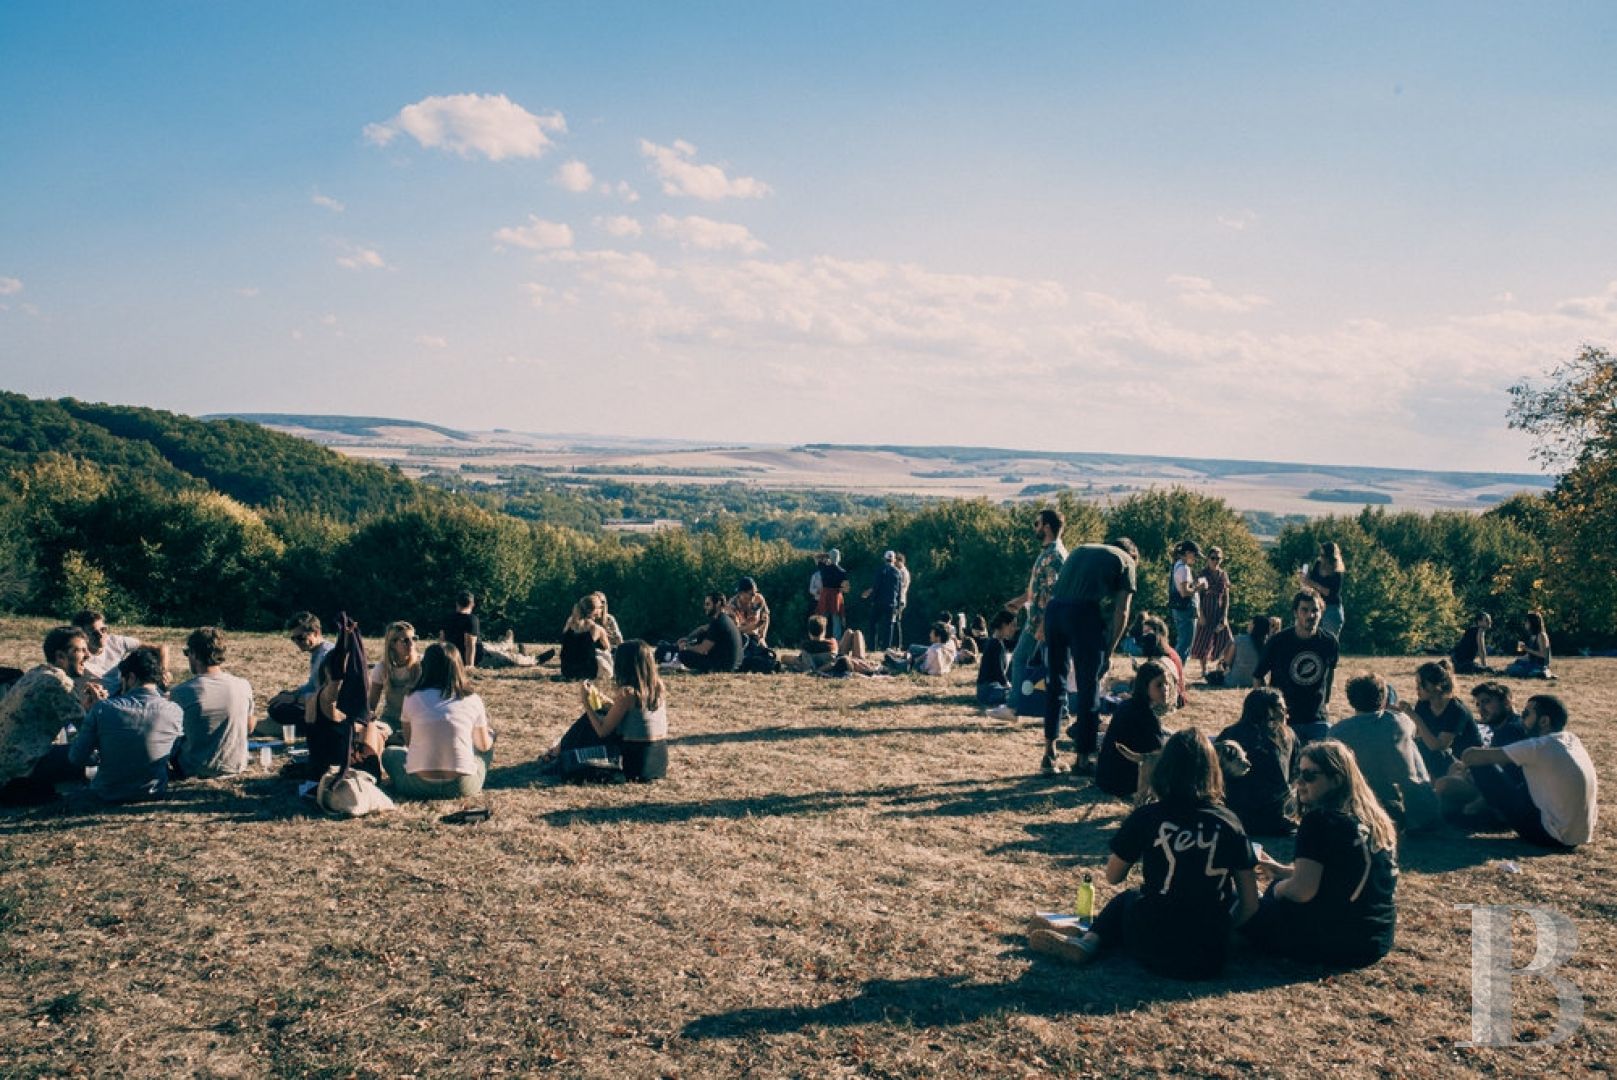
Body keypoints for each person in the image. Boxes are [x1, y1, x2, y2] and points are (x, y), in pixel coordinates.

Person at [1028, 730, 1259, 980]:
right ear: (1213, 772)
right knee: (1224, 900)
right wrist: (1222, 930)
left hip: (1152, 941)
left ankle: (1088, 941)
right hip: (1208, 956)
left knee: (1127, 899)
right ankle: (1079, 932)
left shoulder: (1148, 816)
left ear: (1164, 769)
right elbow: (1250, 903)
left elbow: (1113, 876)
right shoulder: (1230, 822)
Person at [1243, 739, 1399, 969]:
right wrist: (1283, 871)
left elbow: (1301, 891)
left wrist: (1277, 889)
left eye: (1309, 776)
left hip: (1335, 943)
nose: (1299, 782)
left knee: (1243, 903)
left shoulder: (1320, 820)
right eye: (1298, 774)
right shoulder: (1374, 820)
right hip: (1375, 939)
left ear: (1336, 780)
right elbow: (1342, 875)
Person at [1040, 537, 1139, 776]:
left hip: (1054, 611)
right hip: (1083, 615)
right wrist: (1109, 649)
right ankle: (1083, 759)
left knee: (1055, 682)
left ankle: (1049, 754)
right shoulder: (1127, 561)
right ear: (1133, 556)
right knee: (1088, 687)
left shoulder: (1081, 549)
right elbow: (1122, 610)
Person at [1459, 694, 1597, 848]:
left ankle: (1489, 819)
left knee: (1480, 765)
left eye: (1525, 714)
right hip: (1579, 835)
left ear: (1544, 721)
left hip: (1550, 836)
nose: (1520, 719)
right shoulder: (1572, 740)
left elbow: (1470, 756)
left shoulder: (1538, 747)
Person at [0, 625, 103, 804]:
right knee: (94, 753)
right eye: (80, 650)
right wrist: (100, 707)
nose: (88, 655)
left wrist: (85, 708)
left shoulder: (37, 672)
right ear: (60, 656)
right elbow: (88, 732)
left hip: (8, 763)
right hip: (23, 766)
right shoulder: (58, 682)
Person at [541, 640, 670, 782]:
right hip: (658, 761)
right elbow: (631, 715)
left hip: (634, 763)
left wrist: (586, 703)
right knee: (601, 713)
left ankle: (557, 753)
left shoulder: (627, 693)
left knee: (590, 719)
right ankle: (558, 751)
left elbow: (602, 731)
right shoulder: (657, 688)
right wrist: (602, 699)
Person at [67, 647, 183, 803]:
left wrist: (90, 716)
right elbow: (172, 751)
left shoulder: (102, 709)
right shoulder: (175, 711)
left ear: (131, 678)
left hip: (107, 792)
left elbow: (77, 757)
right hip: (154, 791)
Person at [382, 643, 495, 799]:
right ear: (458, 667)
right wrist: (491, 736)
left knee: (389, 753)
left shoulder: (412, 698)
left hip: (418, 784)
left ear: (425, 667)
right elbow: (483, 746)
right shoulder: (472, 699)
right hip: (461, 785)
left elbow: (409, 743)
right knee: (487, 746)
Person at [1329, 673, 1439, 831]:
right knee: (1408, 743)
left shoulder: (1338, 732)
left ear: (1351, 700)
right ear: (1383, 698)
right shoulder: (1401, 721)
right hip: (1416, 810)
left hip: (1369, 808)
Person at [1002, 509, 1068, 722]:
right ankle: (1061, 710)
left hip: (1042, 622)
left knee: (1022, 659)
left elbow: (1053, 593)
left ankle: (1014, 707)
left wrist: (1044, 624)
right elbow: (1038, 589)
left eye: (1036, 523)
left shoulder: (1053, 555)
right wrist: (1020, 602)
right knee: (1052, 665)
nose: (1035, 528)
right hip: (1039, 620)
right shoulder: (1049, 552)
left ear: (1047, 527)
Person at [1252, 592, 1340, 743]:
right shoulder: (1278, 642)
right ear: (1295, 613)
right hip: (1285, 721)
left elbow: (1330, 673)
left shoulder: (1329, 642)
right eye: (1304, 610)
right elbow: (1258, 676)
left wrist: (1326, 702)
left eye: (1315, 610)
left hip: (1316, 720)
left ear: (1321, 613)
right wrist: (1268, 710)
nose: (1310, 615)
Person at [169, 626, 254, 779]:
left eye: (187, 653)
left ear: (194, 654)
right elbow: (249, 727)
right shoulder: (243, 685)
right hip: (235, 765)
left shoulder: (181, 691)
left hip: (194, 767)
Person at [1217, 687, 1299, 837]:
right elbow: (1293, 777)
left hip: (1234, 817)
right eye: (1282, 708)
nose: (1287, 713)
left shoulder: (1229, 733)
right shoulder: (1284, 736)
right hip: (1273, 820)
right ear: (1270, 711)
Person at [1396, 659, 1481, 785]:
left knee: (1435, 754)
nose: (1417, 688)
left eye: (1421, 684)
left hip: (1466, 762)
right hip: (1444, 759)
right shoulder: (1424, 704)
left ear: (1437, 686)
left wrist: (1414, 716)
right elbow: (1419, 735)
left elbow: (1438, 746)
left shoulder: (1456, 710)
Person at [1094, 660, 1171, 800]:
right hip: (1124, 784)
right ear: (1145, 686)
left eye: (1167, 684)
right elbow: (1157, 758)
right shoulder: (1148, 717)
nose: (1165, 689)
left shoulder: (1126, 705)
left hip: (1104, 778)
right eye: (1159, 685)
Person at [260, 612, 334, 738]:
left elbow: (326, 697)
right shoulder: (317, 653)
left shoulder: (326, 656)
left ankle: (304, 729)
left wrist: (295, 699)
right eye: (293, 639)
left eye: (300, 638)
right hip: (315, 703)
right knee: (278, 703)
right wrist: (293, 694)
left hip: (326, 710)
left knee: (279, 710)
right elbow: (312, 685)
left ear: (316, 633)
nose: (297, 642)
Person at [71, 609, 141, 696]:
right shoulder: (76, 656)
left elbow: (152, 647)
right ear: (80, 636)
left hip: (124, 694)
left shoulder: (115, 641)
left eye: (103, 629)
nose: (100, 635)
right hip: (97, 699)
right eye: (94, 633)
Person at [1189, 546, 1234, 679]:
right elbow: (1196, 595)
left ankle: (1222, 666)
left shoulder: (1223, 575)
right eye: (1213, 558)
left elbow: (1226, 596)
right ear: (1208, 559)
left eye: (1218, 558)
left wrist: (1225, 616)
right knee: (1204, 641)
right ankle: (1204, 670)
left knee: (1228, 640)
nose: (1215, 561)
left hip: (1219, 611)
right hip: (1206, 610)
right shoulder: (1202, 574)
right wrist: (1200, 614)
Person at [367, 621, 421, 732]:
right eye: (405, 640)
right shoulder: (382, 669)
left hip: (415, 722)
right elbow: (372, 705)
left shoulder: (422, 665)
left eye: (414, 639)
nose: (411, 644)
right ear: (392, 644)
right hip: (390, 722)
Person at [676, 592, 744, 674]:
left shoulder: (718, 622)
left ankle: (708, 669)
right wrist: (688, 638)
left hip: (723, 667)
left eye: (708, 604)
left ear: (718, 604)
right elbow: (702, 629)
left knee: (684, 655)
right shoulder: (724, 619)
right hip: (733, 665)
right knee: (702, 635)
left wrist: (686, 647)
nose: (705, 607)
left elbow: (702, 649)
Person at [1208, 615, 1278, 689]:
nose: (1248, 625)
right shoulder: (1267, 644)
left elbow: (1227, 663)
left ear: (1254, 626)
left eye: (1250, 623)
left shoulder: (1239, 640)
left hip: (1234, 681)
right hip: (1257, 682)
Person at [560, 594, 614, 681]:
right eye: (600, 607)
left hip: (567, 671)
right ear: (594, 610)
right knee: (604, 653)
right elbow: (608, 649)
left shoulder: (570, 623)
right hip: (587, 672)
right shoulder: (597, 629)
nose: (602, 609)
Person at [1299, 541, 1346, 640]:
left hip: (1331, 610)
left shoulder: (1337, 572)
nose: (1321, 557)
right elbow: (1311, 583)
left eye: (1323, 555)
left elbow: (1330, 593)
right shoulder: (1318, 564)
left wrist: (1311, 582)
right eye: (1320, 555)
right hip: (1317, 606)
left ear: (1330, 557)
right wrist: (1305, 578)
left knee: (1328, 641)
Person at [1166, 540, 1206, 658]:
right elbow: (1184, 592)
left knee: (1182, 641)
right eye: (1195, 555)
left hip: (1179, 609)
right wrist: (1199, 588)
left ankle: (1176, 666)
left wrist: (1193, 584)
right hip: (1186, 610)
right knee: (1185, 643)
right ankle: (1177, 667)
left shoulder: (1177, 565)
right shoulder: (1184, 568)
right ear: (1188, 553)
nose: (1196, 558)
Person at [861, 551, 905, 651]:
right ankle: (886, 648)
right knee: (889, 626)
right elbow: (899, 591)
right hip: (892, 603)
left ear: (884, 559)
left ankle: (872, 646)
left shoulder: (880, 570)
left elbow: (876, 586)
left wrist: (872, 600)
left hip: (879, 602)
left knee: (873, 623)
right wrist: (898, 606)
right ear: (894, 560)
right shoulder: (898, 572)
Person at [976, 610, 1018, 708]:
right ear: (1004, 625)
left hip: (991, 689)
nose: (1014, 629)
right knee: (1018, 695)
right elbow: (998, 671)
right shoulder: (995, 644)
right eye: (1012, 625)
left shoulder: (998, 642)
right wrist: (1008, 686)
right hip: (989, 690)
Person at [1504, 611, 1554, 678]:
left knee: (1513, 670)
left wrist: (1526, 649)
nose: (1525, 624)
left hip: (1539, 665)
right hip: (1532, 663)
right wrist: (1519, 659)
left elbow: (1543, 654)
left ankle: (1540, 672)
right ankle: (1536, 673)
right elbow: (1530, 656)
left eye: (1526, 622)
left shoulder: (1541, 635)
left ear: (1532, 623)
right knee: (1511, 667)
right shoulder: (1533, 636)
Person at [815, 549, 850, 640]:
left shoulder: (824, 568)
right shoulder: (842, 571)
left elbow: (816, 557)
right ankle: (836, 641)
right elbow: (846, 589)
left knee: (822, 620)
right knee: (836, 621)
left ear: (830, 557)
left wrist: (827, 555)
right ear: (839, 558)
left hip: (825, 595)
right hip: (836, 595)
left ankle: (819, 639)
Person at [441, 589, 480, 669]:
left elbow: (442, 641)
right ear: (472, 604)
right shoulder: (471, 619)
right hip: (473, 659)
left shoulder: (447, 618)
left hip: (452, 657)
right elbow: (470, 644)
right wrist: (469, 665)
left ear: (457, 603)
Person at [728, 577, 771, 646]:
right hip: (739, 636)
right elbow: (734, 630)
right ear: (741, 593)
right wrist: (755, 626)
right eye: (752, 594)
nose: (754, 596)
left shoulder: (759, 599)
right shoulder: (732, 605)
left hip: (755, 636)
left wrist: (762, 636)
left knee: (765, 650)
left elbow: (765, 617)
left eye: (755, 592)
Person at [892, 552, 911, 648]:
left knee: (896, 621)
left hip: (900, 600)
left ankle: (898, 644)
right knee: (895, 621)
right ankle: (896, 644)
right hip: (899, 599)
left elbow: (900, 587)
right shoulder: (901, 571)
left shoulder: (903, 572)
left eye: (896, 562)